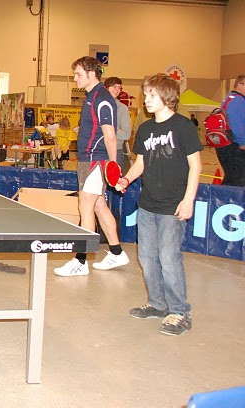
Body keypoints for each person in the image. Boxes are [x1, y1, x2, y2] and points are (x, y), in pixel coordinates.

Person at [115, 74, 201, 336]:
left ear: (167, 96)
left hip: (173, 206)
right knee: (147, 258)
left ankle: (180, 311)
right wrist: (126, 179)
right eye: (146, 94)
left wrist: (188, 200)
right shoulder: (145, 129)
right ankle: (157, 304)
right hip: (147, 205)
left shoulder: (184, 127)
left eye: (152, 94)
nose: (147, 99)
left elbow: (196, 165)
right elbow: (141, 163)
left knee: (169, 259)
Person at [54, 56, 129, 277]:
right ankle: (116, 252)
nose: (75, 78)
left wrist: (112, 165)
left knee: (85, 206)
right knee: (99, 206)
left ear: (91, 73)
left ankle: (80, 261)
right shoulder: (91, 97)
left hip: (96, 161)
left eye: (78, 74)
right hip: (89, 160)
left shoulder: (102, 99)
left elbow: (110, 135)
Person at [215, 75, 245, 186]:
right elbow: (236, 124)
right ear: (240, 84)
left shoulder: (230, 98)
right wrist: (243, 142)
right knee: (237, 180)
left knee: (232, 178)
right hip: (234, 146)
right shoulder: (239, 100)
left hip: (225, 145)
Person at [104, 76, 133, 172]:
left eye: (119, 87)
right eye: (114, 86)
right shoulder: (97, 106)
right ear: (106, 88)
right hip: (98, 152)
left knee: (114, 180)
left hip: (116, 152)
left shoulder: (123, 109)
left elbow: (126, 134)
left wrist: (106, 130)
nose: (117, 90)